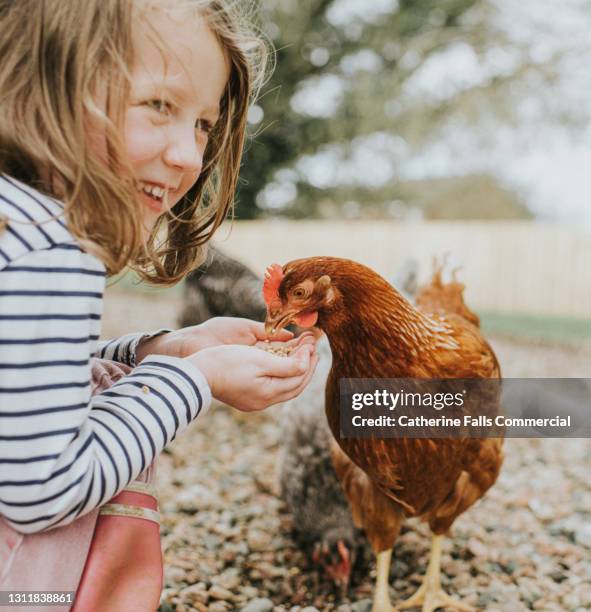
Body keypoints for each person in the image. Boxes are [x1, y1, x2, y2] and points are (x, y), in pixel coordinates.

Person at [0, 0, 318, 541]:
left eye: (202, 124)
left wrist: (162, 350)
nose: (190, 158)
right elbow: (44, 486)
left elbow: (22, 388)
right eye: (157, 105)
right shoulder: (45, 249)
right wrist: (198, 378)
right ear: (47, 81)